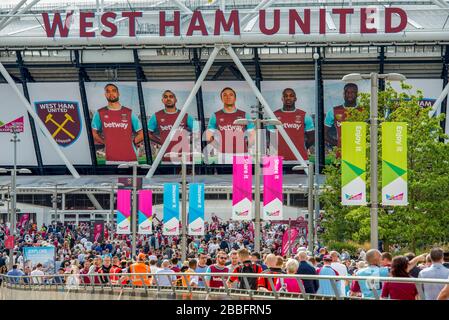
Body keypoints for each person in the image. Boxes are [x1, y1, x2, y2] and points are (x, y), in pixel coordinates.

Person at [91, 83, 144, 162]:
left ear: (118, 93)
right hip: (111, 158)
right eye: (108, 91)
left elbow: (142, 133)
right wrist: (105, 142)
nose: (111, 93)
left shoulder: (129, 112)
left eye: (114, 91)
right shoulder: (99, 113)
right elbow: (93, 133)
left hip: (130, 157)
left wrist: (131, 143)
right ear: (105, 95)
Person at [206, 87, 255, 164]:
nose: (228, 97)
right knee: (224, 176)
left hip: (242, 154)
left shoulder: (245, 115)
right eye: (225, 95)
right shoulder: (215, 115)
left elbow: (252, 134)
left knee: (241, 176)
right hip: (223, 155)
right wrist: (218, 147)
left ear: (235, 98)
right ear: (221, 99)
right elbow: (208, 135)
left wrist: (246, 146)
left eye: (231, 95)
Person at [147, 90, 197, 162]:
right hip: (166, 155)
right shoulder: (156, 116)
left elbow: (197, 130)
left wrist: (188, 140)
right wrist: (161, 142)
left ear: (175, 100)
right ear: (162, 100)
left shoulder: (185, 115)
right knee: (168, 173)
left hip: (184, 156)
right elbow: (148, 134)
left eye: (171, 97)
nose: (168, 99)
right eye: (165, 97)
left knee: (184, 173)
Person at [267, 88, 314, 161]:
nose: (288, 98)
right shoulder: (273, 116)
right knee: (273, 172)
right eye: (285, 96)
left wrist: (301, 147)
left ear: (295, 99)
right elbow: (271, 139)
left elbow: (312, 138)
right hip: (278, 158)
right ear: (282, 99)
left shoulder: (304, 115)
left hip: (300, 159)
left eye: (291, 96)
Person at [324, 83, 359, 151]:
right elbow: (324, 134)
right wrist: (337, 144)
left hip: (359, 150)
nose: (350, 95)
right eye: (347, 92)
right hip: (341, 153)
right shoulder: (333, 111)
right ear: (343, 94)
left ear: (357, 94)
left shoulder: (363, 111)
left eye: (353, 92)